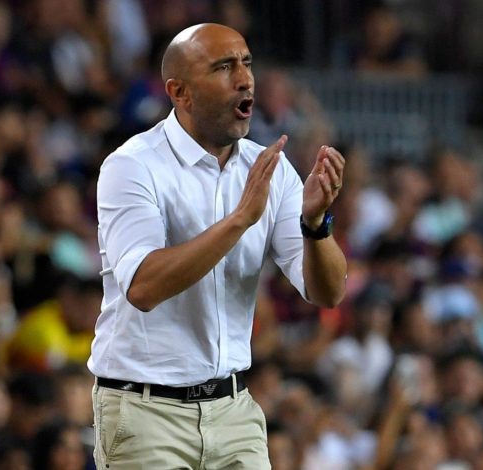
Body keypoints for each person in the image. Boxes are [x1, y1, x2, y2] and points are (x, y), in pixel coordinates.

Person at [89, 22, 347, 469]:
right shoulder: (132, 166)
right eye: (224, 67)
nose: (245, 79)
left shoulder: (270, 169)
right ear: (180, 92)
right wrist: (240, 219)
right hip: (146, 412)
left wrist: (315, 224)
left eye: (246, 63)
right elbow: (143, 287)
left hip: (233, 409)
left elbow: (327, 292)